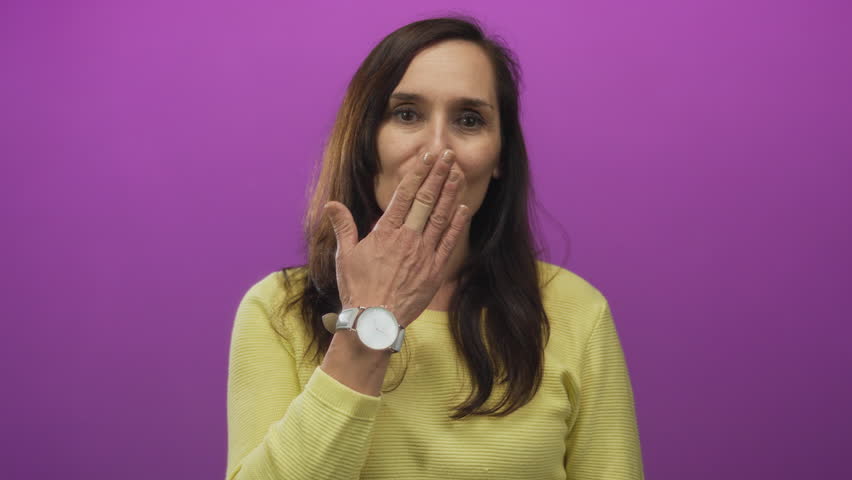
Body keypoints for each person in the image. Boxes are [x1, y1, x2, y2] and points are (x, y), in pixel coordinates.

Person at [225, 16, 644, 480]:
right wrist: (371, 322)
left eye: (469, 120)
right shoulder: (276, 311)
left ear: (501, 155)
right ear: (366, 140)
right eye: (407, 114)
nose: (437, 150)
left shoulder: (577, 312)